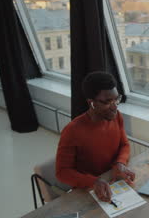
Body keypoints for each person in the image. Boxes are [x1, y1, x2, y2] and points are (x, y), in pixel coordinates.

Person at [56, 71, 135, 202]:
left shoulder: (117, 117)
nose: (114, 107)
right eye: (107, 102)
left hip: (111, 181)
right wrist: (94, 181)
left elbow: (124, 144)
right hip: (88, 189)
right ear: (91, 103)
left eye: (116, 99)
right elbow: (62, 172)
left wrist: (120, 163)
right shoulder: (72, 131)